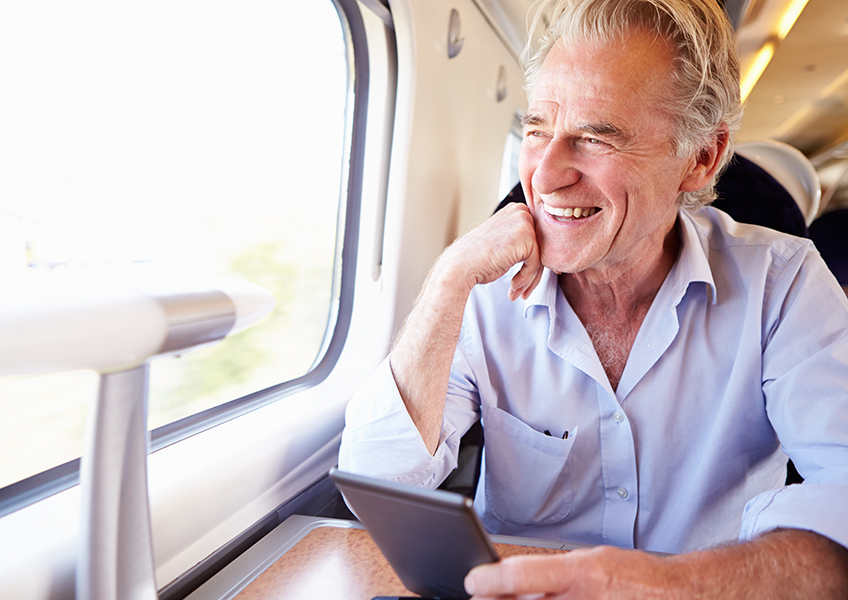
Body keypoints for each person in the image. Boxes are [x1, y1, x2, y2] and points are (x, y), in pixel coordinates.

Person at [338, 0, 848, 596]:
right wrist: (448, 278)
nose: (546, 175)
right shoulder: (482, 288)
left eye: (593, 138)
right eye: (536, 131)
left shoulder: (782, 285)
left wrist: (663, 585)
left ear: (700, 157)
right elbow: (374, 483)